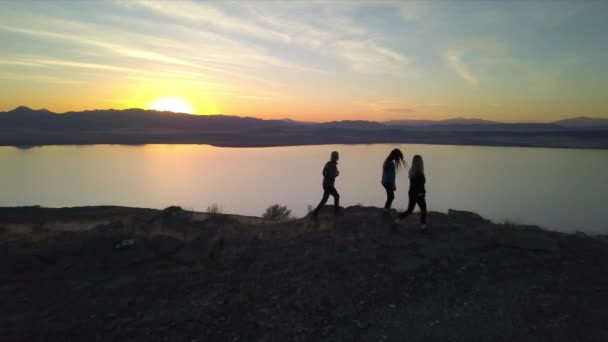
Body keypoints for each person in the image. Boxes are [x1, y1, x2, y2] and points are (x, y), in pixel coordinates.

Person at [395, 154, 427, 231]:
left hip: (412, 193)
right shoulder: (419, 173)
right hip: (418, 194)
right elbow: (419, 185)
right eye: (421, 160)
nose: (422, 161)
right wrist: (421, 193)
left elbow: (414, 185)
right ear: (419, 162)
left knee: (410, 210)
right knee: (423, 210)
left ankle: (397, 220)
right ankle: (423, 227)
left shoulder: (412, 171)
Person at [312, 151, 340, 217]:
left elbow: (324, 172)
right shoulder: (332, 165)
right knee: (336, 196)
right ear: (335, 157)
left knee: (326, 199)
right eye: (337, 156)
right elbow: (330, 175)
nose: (338, 157)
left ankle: (315, 213)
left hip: (326, 184)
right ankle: (336, 213)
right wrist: (336, 174)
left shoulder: (328, 163)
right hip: (329, 185)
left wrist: (329, 175)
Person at [381, 148, 406, 215]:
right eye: (398, 157)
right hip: (387, 182)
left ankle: (386, 210)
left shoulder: (388, 162)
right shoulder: (389, 163)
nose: (397, 159)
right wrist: (392, 185)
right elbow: (390, 176)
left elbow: (388, 175)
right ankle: (385, 211)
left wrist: (392, 184)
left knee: (390, 197)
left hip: (385, 182)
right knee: (391, 197)